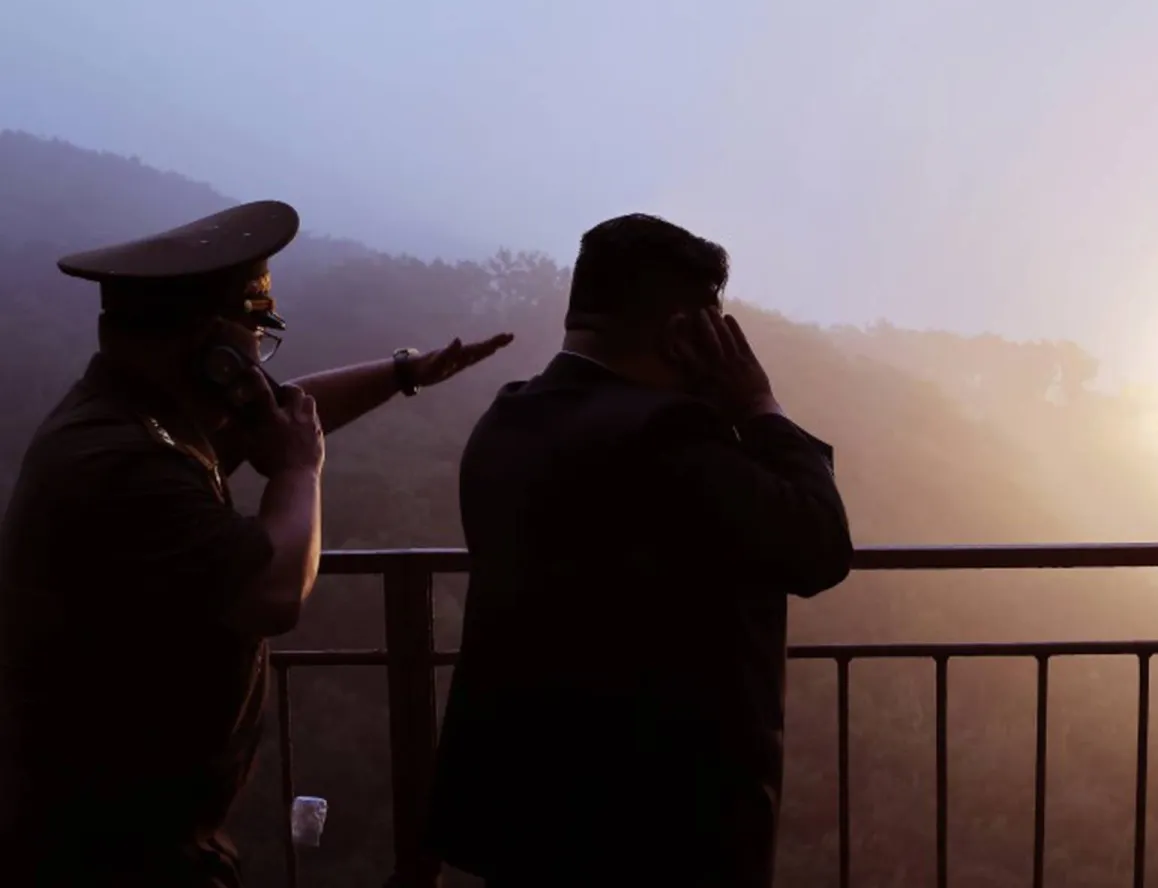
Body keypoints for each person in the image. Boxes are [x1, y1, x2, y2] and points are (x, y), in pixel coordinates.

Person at [0, 200, 513, 887]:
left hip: (126, 830)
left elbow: (280, 414)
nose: (259, 355)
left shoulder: (133, 419)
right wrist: (301, 470)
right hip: (110, 850)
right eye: (256, 330)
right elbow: (271, 593)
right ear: (212, 346)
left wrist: (401, 374)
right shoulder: (124, 463)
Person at [430, 213, 855, 887]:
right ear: (688, 334)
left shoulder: (506, 420)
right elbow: (819, 546)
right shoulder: (667, 438)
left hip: (521, 815)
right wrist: (759, 405)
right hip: (658, 833)